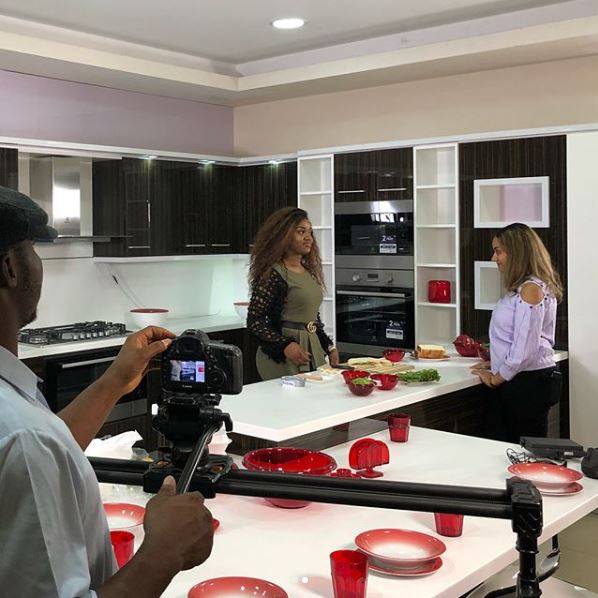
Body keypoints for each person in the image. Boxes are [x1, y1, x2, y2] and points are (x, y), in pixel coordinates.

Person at [0, 186, 214, 597]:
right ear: (10, 267)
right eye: (33, 249)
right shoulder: (22, 435)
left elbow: (48, 450)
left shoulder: (22, 430)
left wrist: (115, 381)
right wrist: (165, 551)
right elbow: (30, 447)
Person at [472, 222, 563, 443]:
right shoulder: (530, 286)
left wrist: (496, 379)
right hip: (525, 380)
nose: (494, 258)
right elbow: (520, 339)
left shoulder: (530, 289)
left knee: (523, 452)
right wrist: (496, 359)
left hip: (526, 383)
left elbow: (525, 349)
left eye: (498, 251)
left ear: (517, 253)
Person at [247, 207, 339, 380]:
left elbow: (312, 320)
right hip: (283, 356)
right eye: (301, 232)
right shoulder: (274, 273)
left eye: (310, 232)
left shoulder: (309, 272)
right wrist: (285, 345)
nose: (308, 238)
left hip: (310, 349)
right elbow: (255, 321)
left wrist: (329, 346)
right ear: (284, 235)